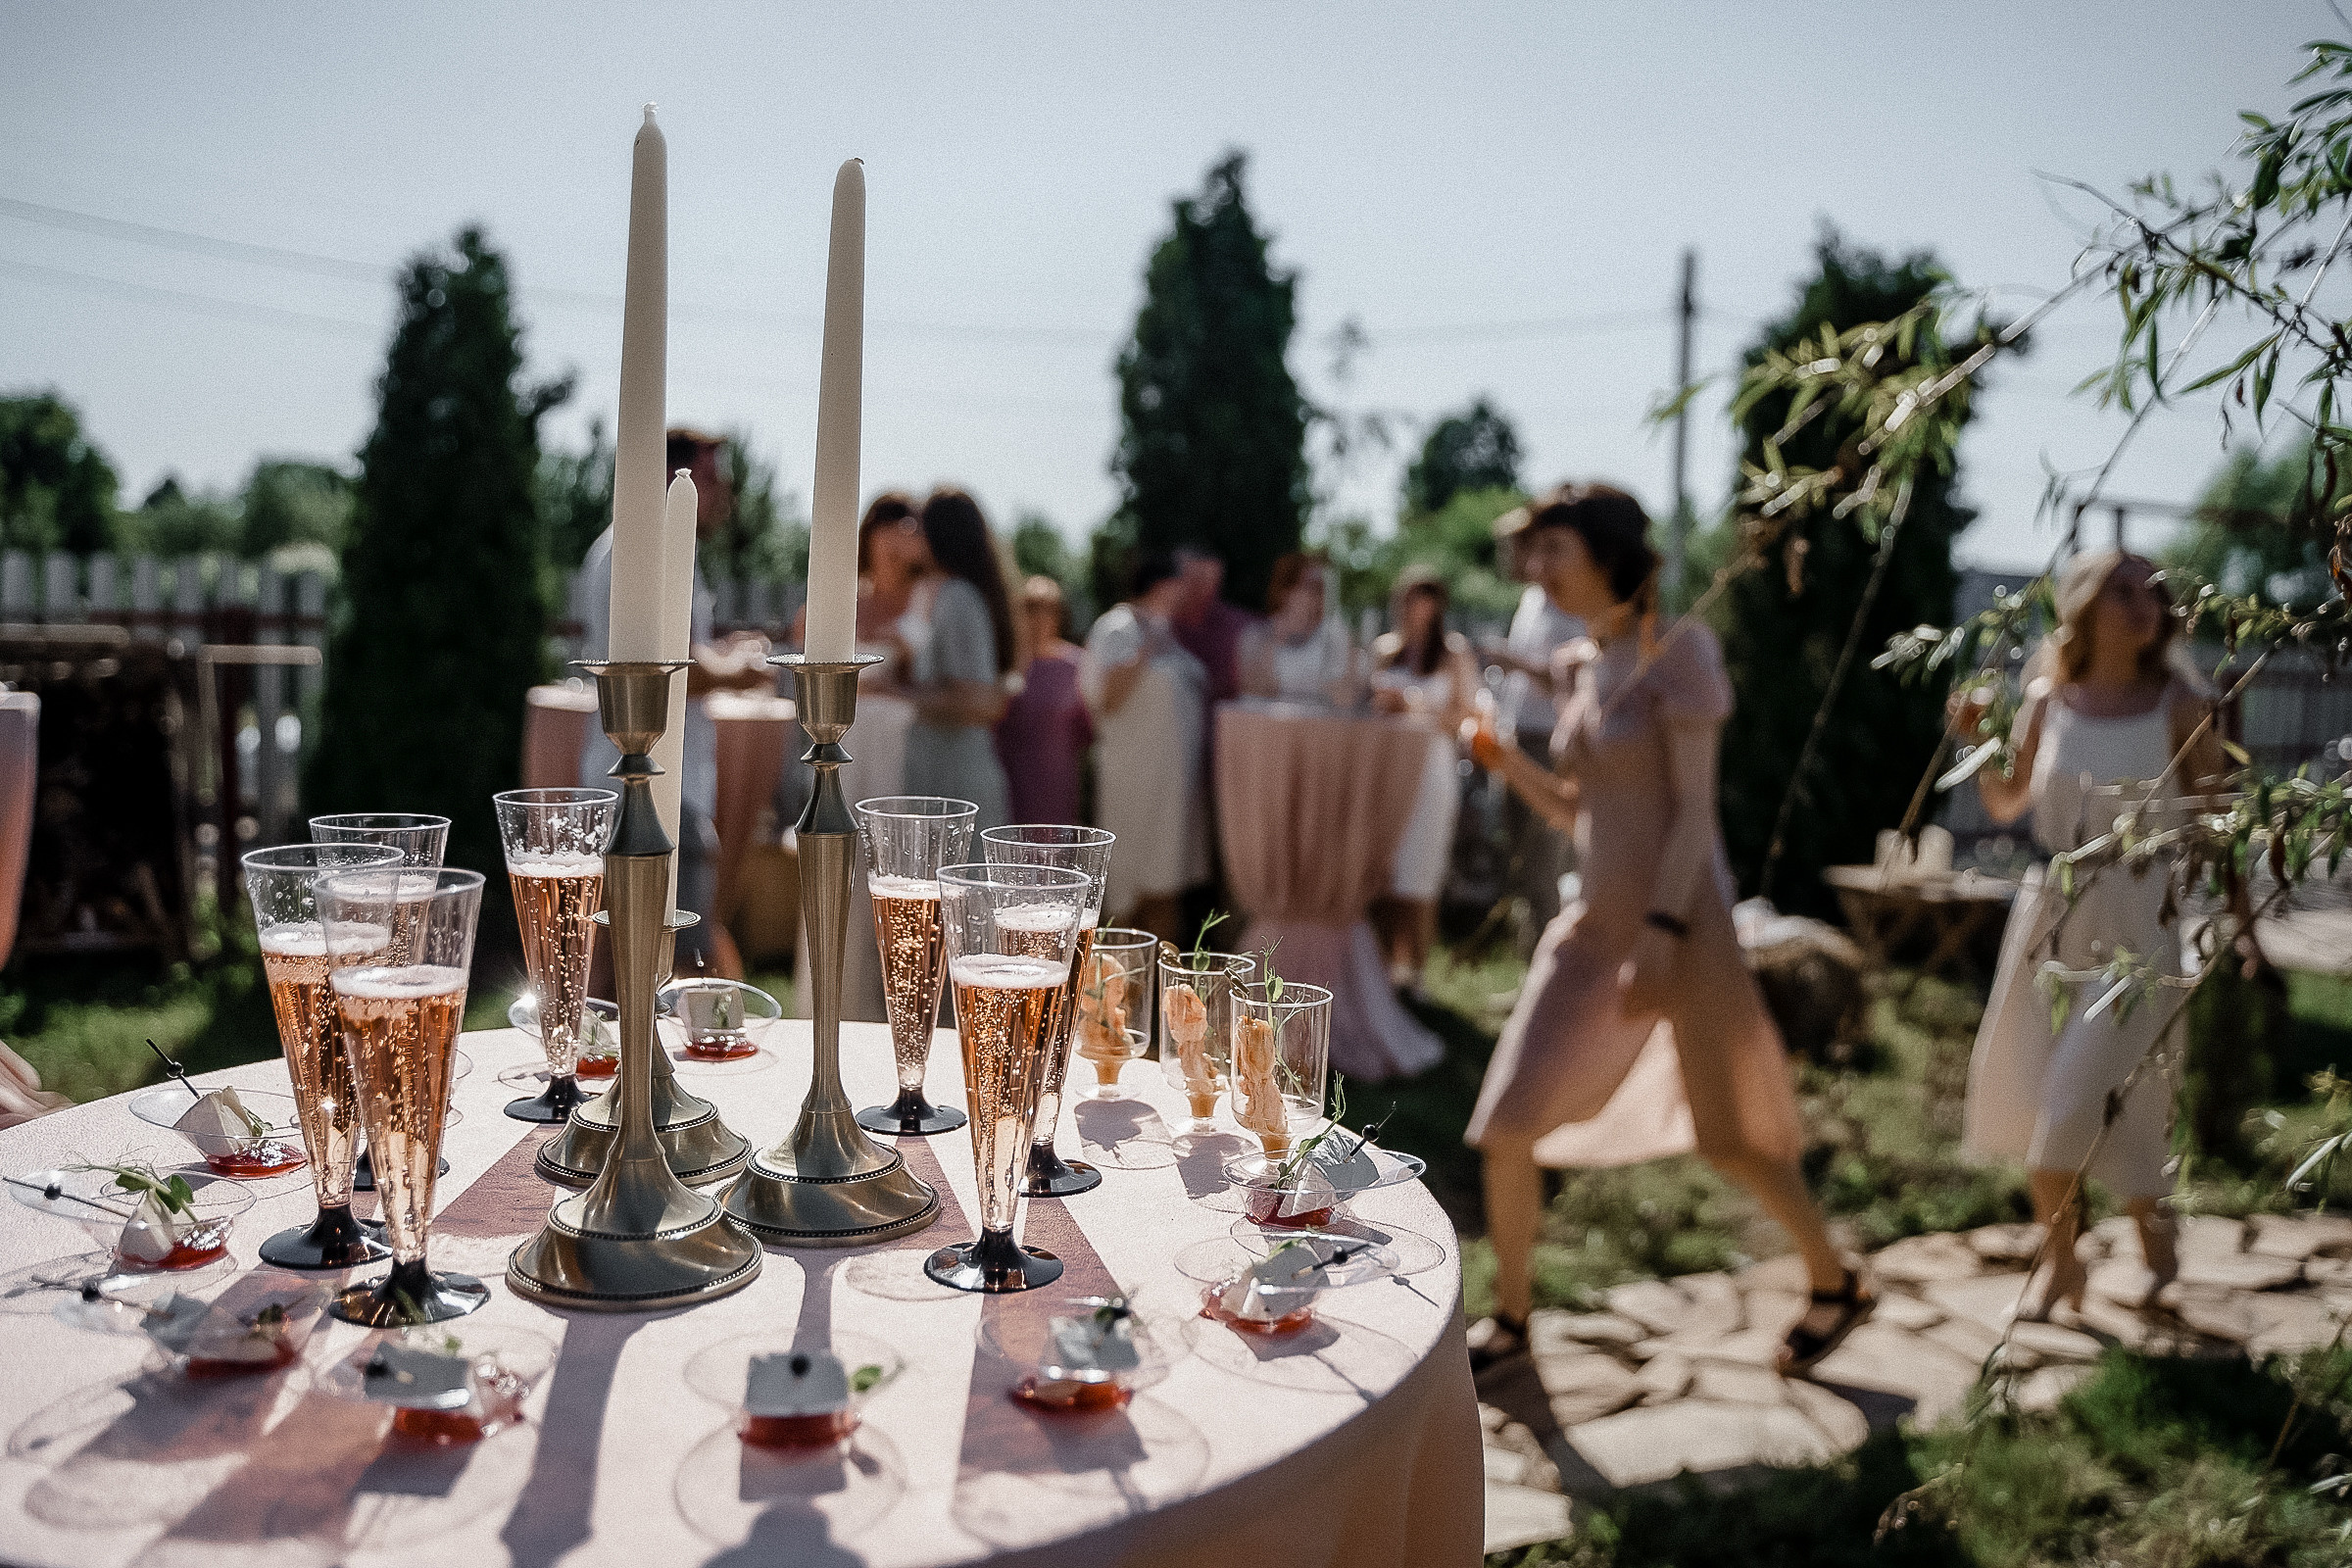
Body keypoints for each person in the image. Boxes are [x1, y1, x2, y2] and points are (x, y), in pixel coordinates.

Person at [1462, 483, 1867, 1376]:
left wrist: (1659, 930)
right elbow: (1579, 811)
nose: (1537, 570)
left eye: (1553, 549)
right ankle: (1512, 1319)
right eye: (1531, 553)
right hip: (1592, 927)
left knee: (1731, 1138)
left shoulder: (1679, 651)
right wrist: (1504, 761)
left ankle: (1835, 1281)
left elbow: (1692, 817)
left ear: (1607, 552)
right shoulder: (1580, 663)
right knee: (1506, 1123)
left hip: (1683, 927)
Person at [1956, 551, 2226, 1317]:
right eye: (2122, 590)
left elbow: (2216, 815)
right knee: (2043, 1080)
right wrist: (1975, 739)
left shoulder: (2179, 702)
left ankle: (2098, 1251)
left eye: (2154, 593)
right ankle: (2093, 1254)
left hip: (2141, 919)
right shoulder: (2048, 700)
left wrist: (2221, 922)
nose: (2143, 605)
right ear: (2083, 605)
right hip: (2053, 913)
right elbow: (2007, 801)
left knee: (2075, 1099)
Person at [574, 427, 775, 976]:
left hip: (633, 774)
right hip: (658, 780)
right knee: (687, 951)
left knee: (627, 950)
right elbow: (673, 670)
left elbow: (673, 649)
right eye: (711, 479)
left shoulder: (629, 544)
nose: (724, 493)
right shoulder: (648, 548)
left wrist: (724, 653)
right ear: (673, 479)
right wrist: (745, 669)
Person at [1081, 550, 1209, 937]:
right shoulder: (1116, 628)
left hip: (1172, 790)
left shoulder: (1165, 631)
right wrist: (1145, 649)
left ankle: (1160, 993)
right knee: (1127, 900)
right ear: (1162, 585)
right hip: (1133, 787)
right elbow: (1105, 697)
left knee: (1165, 892)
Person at [1369, 564, 1478, 990]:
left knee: (1421, 868)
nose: (1418, 607)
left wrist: (1413, 706)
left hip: (1431, 769)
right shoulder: (1384, 650)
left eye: (1427, 598)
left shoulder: (1453, 653)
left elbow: (1465, 715)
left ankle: (1416, 971)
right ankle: (1383, 966)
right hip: (1386, 768)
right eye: (1412, 597)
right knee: (1383, 869)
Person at [1488, 505, 1586, 950]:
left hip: (1547, 741)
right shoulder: (1531, 600)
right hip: (1518, 736)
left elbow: (1568, 679)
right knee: (1522, 860)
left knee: (1545, 863)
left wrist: (1511, 661)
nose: (1509, 557)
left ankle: (1551, 969)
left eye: (1514, 547)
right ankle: (1534, 968)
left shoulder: (1567, 604)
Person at [901, 487, 1014, 828]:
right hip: (939, 776)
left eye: (918, 526)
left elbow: (980, 702)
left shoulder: (958, 597)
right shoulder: (935, 592)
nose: (910, 534)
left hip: (959, 785)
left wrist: (890, 690)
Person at [996, 574, 1093, 826]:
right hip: (1011, 782)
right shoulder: (1005, 661)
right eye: (1031, 609)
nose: (1039, 618)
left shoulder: (1077, 664)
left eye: (1048, 609)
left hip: (1058, 782)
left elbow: (1089, 728)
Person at [1239, 552, 1357, 705]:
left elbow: (1347, 696)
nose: (1319, 595)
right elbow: (1254, 691)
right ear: (1285, 591)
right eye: (1312, 586)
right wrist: (1274, 641)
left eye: (1324, 588)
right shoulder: (1256, 635)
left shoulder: (1338, 637)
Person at [1170, 545, 1254, 708]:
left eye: (1213, 582)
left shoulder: (1241, 628)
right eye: (1197, 581)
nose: (1207, 591)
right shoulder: (1157, 627)